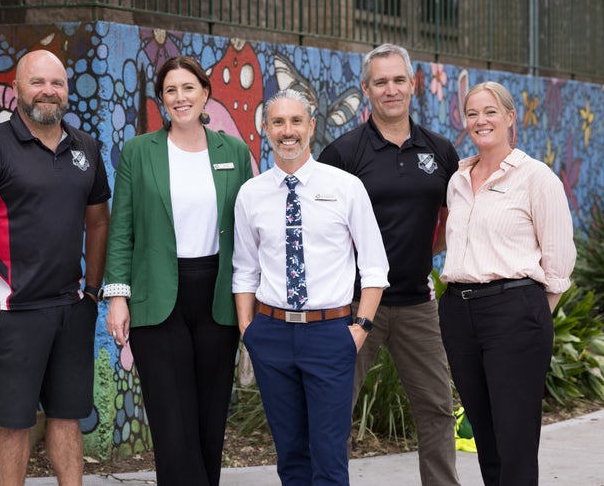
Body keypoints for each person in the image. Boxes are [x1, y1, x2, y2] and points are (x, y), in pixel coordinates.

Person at [0, 49, 111, 485]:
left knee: (67, 417)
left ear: (67, 90)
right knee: (15, 421)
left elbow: (99, 221)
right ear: (18, 88)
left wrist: (93, 292)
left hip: (71, 307)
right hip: (12, 312)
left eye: (57, 83)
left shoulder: (86, 147)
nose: (48, 91)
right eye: (38, 82)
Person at [103, 56, 253, 486]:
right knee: (171, 420)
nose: (180, 97)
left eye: (188, 88)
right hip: (156, 295)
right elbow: (122, 229)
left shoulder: (234, 151)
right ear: (162, 101)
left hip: (217, 295)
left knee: (209, 420)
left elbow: (248, 229)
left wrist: (252, 299)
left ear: (205, 93)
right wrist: (118, 296)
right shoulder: (138, 152)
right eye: (171, 90)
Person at [318, 43, 460, 485]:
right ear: (366, 89)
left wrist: (420, 255)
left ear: (413, 85)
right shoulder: (342, 154)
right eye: (380, 82)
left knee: (437, 407)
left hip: (418, 303)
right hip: (356, 306)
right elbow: (324, 231)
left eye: (399, 80)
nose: (391, 89)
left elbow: (450, 220)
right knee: (335, 408)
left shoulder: (439, 151)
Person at [233, 88, 390, 485]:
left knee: (329, 455)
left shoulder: (346, 187)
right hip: (271, 334)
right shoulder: (251, 194)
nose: (288, 131)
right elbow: (244, 270)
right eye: (279, 122)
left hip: (330, 334)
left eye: (296, 121)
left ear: (312, 126)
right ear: (265, 128)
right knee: (290, 455)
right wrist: (248, 330)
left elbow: (374, 267)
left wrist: (361, 329)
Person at [439, 81, 576, 485]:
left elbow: (559, 260)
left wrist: (528, 314)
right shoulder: (458, 180)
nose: (481, 121)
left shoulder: (536, 177)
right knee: (485, 434)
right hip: (459, 312)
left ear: (511, 117)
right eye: (472, 113)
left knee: (514, 436)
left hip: (514, 310)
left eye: (490, 111)